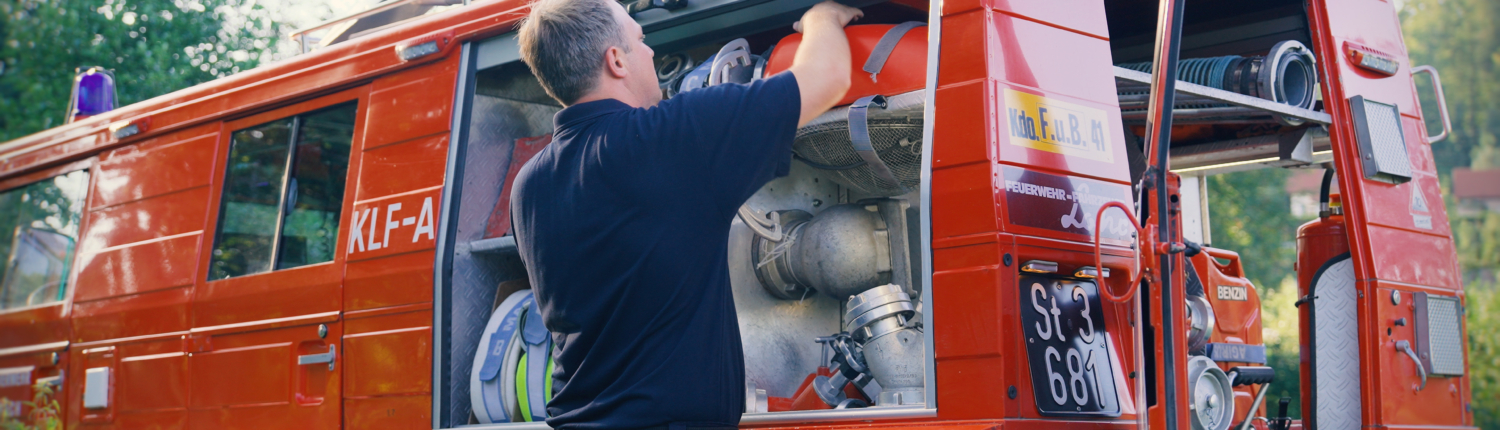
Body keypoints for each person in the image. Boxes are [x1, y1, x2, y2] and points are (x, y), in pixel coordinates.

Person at [510, 0, 860, 428]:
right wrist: (821, 17)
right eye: (641, 40)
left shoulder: (527, 186)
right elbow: (828, 77)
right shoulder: (670, 137)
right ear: (616, 60)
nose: (653, 52)